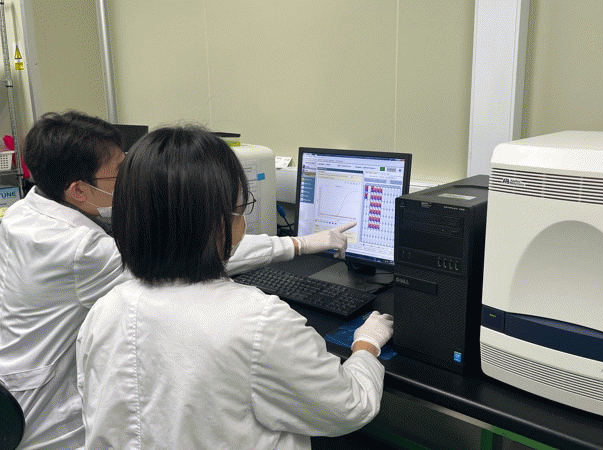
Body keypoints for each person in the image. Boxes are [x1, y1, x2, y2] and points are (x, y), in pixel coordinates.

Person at [0, 112, 353, 449]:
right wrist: (298, 244)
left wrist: (297, 243)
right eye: (120, 173)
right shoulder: (80, 251)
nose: (130, 181)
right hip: (45, 410)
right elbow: (193, 248)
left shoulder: (23, 212)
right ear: (78, 190)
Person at [76, 125, 394, 449]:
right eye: (240, 208)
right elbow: (350, 407)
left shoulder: (105, 311)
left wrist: (298, 244)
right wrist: (366, 346)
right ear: (219, 222)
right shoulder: (257, 322)